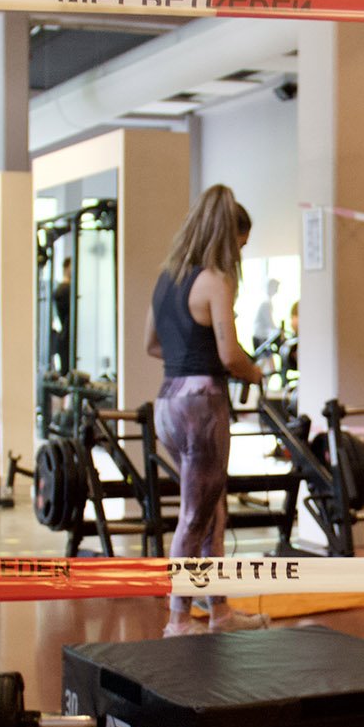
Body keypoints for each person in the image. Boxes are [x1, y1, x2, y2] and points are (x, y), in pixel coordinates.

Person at [143, 184, 270, 638]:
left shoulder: (167, 279)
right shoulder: (216, 281)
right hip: (201, 408)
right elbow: (230, 354)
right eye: (241, 245)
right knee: (195, 516)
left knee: (212, 509)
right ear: (228, 236)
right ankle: (178, 620)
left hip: (168, 402)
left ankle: (219, 612)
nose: (240, 254)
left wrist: (187, 359)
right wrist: (255, 373)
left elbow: (151, 345)